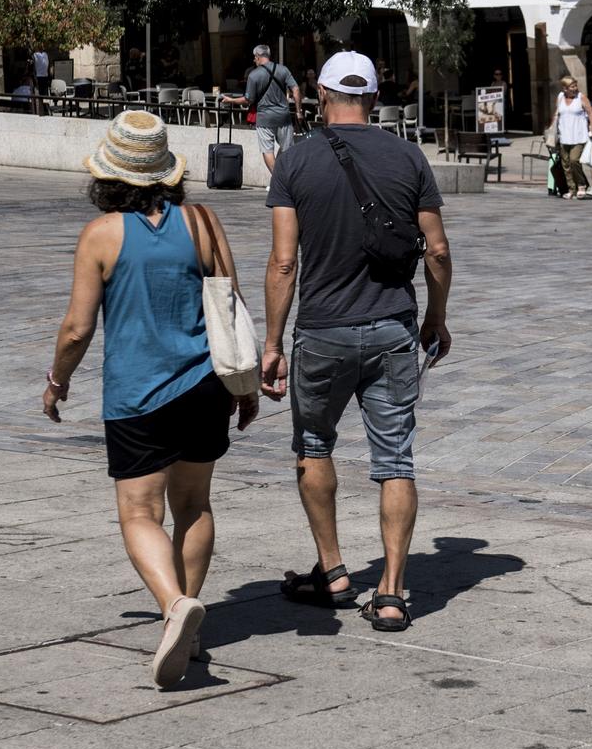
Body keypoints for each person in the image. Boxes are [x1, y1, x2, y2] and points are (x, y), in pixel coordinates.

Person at [42, 111, 260, 689]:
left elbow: (76, 330)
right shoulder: (204, 222)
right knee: (195, 504)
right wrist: (244, 389)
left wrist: (58, 381)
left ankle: (173, 607)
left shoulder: (101, 235)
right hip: (207, 387)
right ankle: (185, 618)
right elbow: (231, 307)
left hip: (138, 395)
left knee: (140, 513)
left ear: (108, 176)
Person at [263, 53, 452, 632]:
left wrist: (271, 343)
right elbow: (438, 251)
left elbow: (284, 261)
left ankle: (334, 570)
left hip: (322, 329)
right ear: (374, 96)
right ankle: (392, 593)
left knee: (314, 446)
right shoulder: (409, 156)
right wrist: (436, 319)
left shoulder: (295, 161)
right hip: (393, 326)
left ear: (320, 93)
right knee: (395, 458)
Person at [243, 45, 302, 172]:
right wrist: (298, 111)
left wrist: (231, 100)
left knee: (267, 150)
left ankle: (278, 180)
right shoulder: (283, 70)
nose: (254, 60)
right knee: (287, 149)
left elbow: (249, 99)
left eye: (255, 57)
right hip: (284, 117)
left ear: (258, 57)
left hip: (264, 119)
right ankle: (285, 178)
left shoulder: (253, 75)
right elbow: (296, 90)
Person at [549, 76, 590, 198]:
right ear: (565, 88)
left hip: (578, 135)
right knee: (565, 163)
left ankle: (581, 185)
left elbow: (590, 113)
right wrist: (552, 128)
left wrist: (591, 129)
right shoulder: (561, 97)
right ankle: (571, 189)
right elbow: (557, 113)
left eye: (575, 86)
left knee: (574, 160)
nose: (575, 88)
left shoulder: (581, 97)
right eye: (572, 87)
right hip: (564, 136)